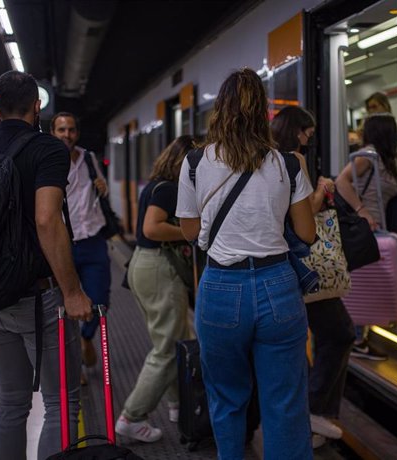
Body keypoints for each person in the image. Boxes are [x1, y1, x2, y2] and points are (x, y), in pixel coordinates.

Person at [176, 68, 316, 459]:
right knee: (285, 404)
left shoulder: (194, 163)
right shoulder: (287, 164)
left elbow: (189, 231)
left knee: (226, 400)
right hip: (278, 286)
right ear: (264, 113)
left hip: (221, 287)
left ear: (220, 109)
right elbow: (306, 233)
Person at [0, 70, 92, 460]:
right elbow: (48, 219)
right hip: (38, 300)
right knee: (60, 403)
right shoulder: (47, 150)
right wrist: (72, 292)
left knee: (12, 403)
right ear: (38, 106)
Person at [272, 106, 355, 449]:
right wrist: (324, 190)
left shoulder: (269, 158)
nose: (310, 137)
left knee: (324, 336)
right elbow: (303, 218)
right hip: (304, 264)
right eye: (308, 131)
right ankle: (314, 410)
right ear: (297, 131)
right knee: (341, 333)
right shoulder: (295, 160)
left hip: (281, 263)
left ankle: (317, 420)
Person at [114, 135, 194, 442]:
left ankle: (177, 404)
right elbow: (151, 228)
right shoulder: (171, 189)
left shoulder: (156, 185)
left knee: (174, 340)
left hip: (143, 265)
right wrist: (188, 233)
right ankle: (132, 417)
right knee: (166, 348)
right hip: (158, 266)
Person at [336, 113, 397, 360]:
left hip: (378, 230)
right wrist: (362, 211)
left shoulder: (386, 159)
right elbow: (342, 181)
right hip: (365, 229)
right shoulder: (368, 156)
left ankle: (359, 337)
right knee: (362, 282)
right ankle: (356, 338)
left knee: (368, 281)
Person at [51, 111, 112, 373]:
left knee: (100, 300)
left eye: (71, 130)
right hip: (63, 243)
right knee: (64, 305)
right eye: (61, 130)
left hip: (93, 239)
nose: (67, 135)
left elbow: (100, 187)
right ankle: (74, 362)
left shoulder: (88, 158)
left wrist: (102, 185)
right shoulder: (47, 160)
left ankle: (87, 337)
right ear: (53, 132)